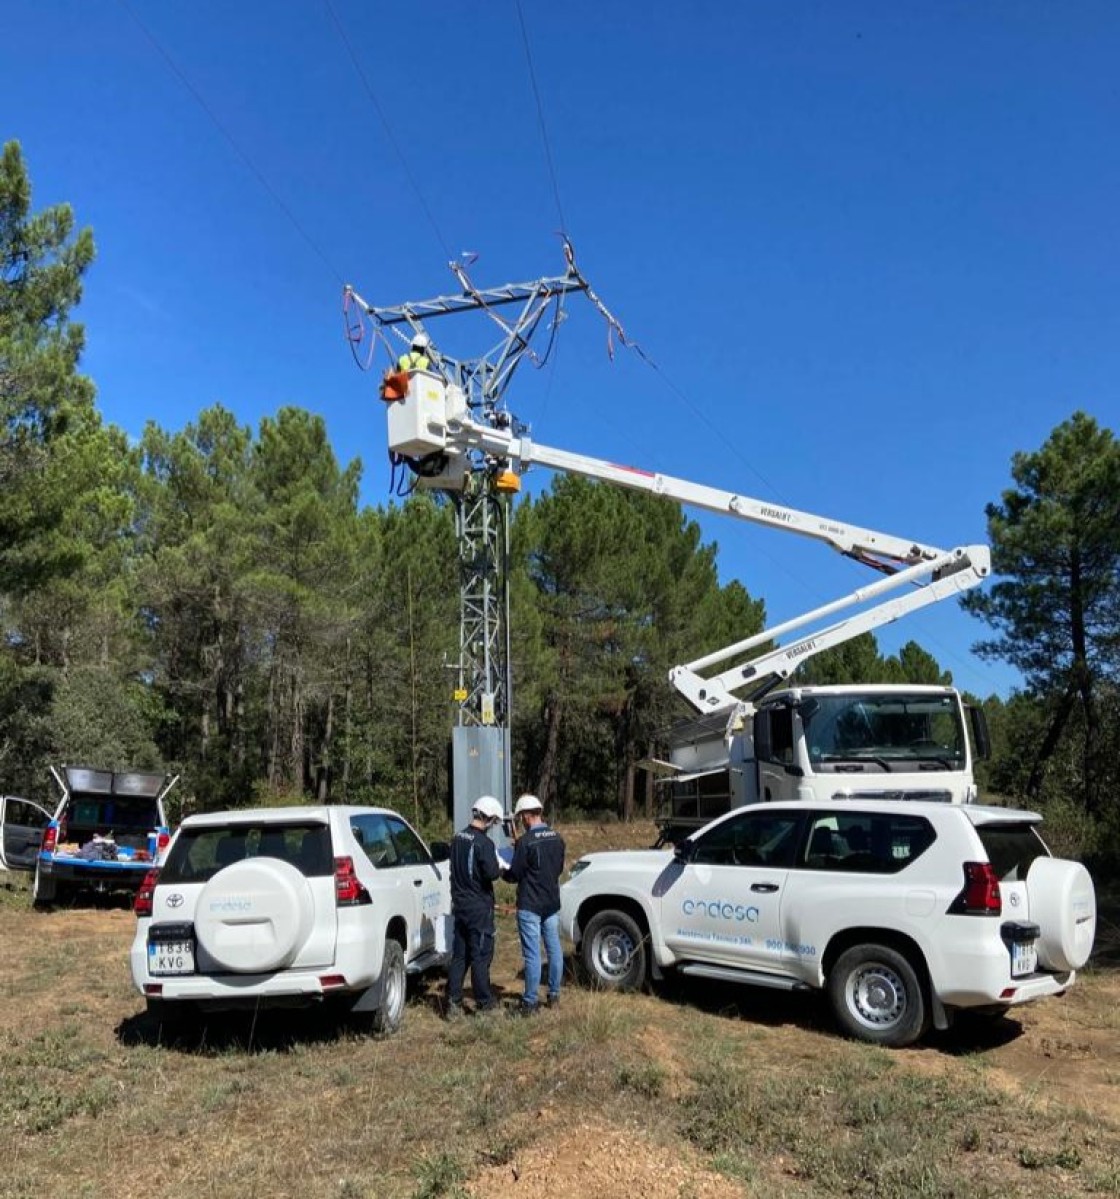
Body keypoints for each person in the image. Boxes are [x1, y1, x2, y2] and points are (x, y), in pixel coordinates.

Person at [503, 793, 566, 1016]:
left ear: (527, 816)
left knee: (532, 955)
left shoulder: (526, 842)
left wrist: (503, 870)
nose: (520, 821)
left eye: (521, 817)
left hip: (530, 904)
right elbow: (557, 869)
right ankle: (554, 994)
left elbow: (515, 874)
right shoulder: (557, 838)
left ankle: (529, 1002)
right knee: (554, 949)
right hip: (550, 903)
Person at [445, 795, 504, 1018]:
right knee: (481, 956)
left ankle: (453, 1004)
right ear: (488, 818)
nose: (493, 826)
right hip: (479, 908)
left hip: (459, 905)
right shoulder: (484, 844)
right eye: (494, 821)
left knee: (460, 956)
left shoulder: (457, 838)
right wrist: (500, 866)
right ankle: (484, 1004)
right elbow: (491, 873)